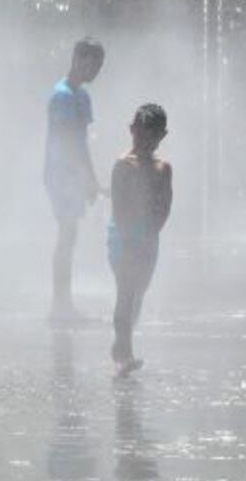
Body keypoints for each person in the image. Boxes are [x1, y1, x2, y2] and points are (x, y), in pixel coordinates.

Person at [108, 104, 172, 376]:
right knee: (125, 292)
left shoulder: (163, 168)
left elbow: (165, 205)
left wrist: (151, 233)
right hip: (122, 237)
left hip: (149, 237)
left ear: (162, 136)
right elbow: (119, 207)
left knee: (139, 292)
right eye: (140, 137)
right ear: (131, 130)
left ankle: (121, 341)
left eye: (152, 139)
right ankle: (125, 353)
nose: (145, 144)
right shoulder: (123, 166)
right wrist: (128, 241)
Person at [46, 37, 105, 323]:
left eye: (100, 66)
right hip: (60, 174)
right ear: (78, 59)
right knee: (66, 236)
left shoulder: (82, 96)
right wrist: (85, 179)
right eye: (93, 63)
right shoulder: (62, 96)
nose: (96, 70)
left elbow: (83, 143)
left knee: (69, 237)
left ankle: (64, 304)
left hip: (74, 174)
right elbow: (67, 143)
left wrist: (91, 178)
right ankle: (60, 306)